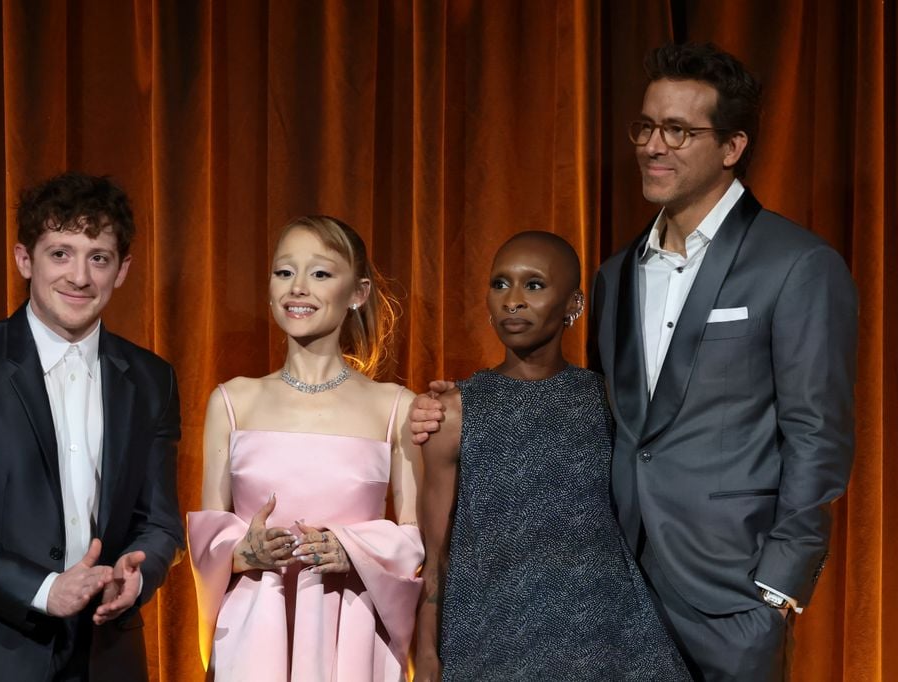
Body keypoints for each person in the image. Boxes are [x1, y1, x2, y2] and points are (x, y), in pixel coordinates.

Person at [413, 43, 859, 681]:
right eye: (646, 127)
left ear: (732, 148)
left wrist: (778, 587)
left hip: (733, 590)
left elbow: (820, 436)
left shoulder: (796, 264)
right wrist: (457, 406)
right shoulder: (617, 275)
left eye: (679, 131)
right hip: (613, 589)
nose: (654, 145)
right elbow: (595, 410)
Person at [0, 173, 184, 681]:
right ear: (23, 260)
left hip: (105, 656)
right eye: (61, 253)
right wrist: (44, 589)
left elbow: (161, 521)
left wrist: (137, 576)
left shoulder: (152, 379)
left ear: (122, 270)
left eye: (98, 257)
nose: (79, 276)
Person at [412, 231, 688, 682]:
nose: (512, 301)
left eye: (534, 285)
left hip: (602, 642)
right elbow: (436, 555)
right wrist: (426, 653)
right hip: (489, 643)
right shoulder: (453, 412)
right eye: (500, 284)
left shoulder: (611, 404)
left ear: (574, 304)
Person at [187, 215, 423, 681]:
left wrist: (351, 547)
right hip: (257, 630)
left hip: (352, 630)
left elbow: (417, 538)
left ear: (357, 293)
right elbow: (207, 539)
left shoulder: (396, 407)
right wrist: (243, 551)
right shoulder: (233, 401)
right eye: (284, 272)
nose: (298, 287)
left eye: (320, 273)